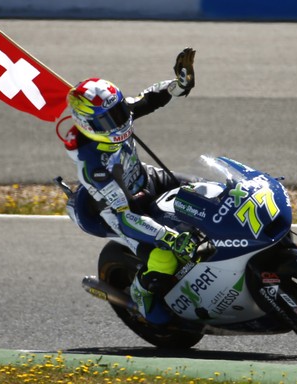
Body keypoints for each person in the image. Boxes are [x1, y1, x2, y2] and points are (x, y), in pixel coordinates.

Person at [59, 48, 198, 324]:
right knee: (165, 256)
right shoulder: (92, 166)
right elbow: (125, 217)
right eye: (109, 120)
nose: (121, 121)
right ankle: (143, 294)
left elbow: (150, 98)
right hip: (120, 210)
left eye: (121, 110)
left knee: (201, 192)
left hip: (144, 178)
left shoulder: (115, 112)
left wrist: (180, 84)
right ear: (87, 124)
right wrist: (167, 237)